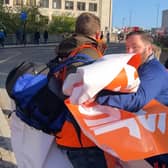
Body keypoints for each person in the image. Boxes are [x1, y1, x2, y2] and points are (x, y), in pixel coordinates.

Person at [96, 30, 168, 167]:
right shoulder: (138, 67)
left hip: (160, 146)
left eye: (135, 47)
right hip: (148, 138)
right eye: (127, 47)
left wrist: (100, 98)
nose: (129, 52)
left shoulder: (154, 71)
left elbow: (137, 100)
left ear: (148, 48)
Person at [55, 12, 109, 168]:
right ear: (98, 33)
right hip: (84, 138)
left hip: (66, 129)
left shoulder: (67, 50)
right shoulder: (89, 53)